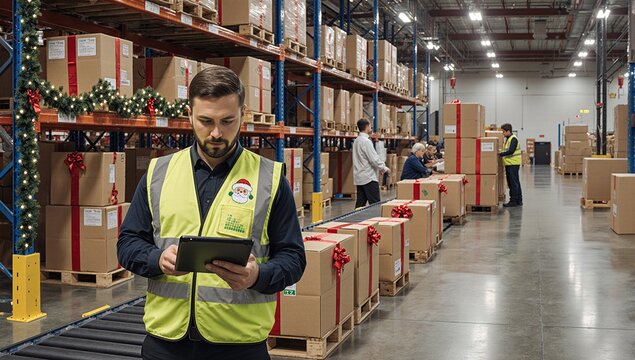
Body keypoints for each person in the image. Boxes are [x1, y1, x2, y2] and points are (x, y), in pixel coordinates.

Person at [117, 65, 307, 360]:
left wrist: (258, 275)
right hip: (166, 343)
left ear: (243, 115)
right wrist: (157, 258)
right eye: (206, 121)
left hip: (239, 345)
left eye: (227, 121)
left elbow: (294, 258)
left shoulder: (269, 179)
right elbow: (128, 244)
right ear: (189, 115)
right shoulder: (158, 174)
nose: (216, 133)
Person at [352, 118, 390, 208]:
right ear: (367, 127)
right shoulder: (366, 142)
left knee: (360, 204)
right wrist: (384, 168)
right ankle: (376, 221)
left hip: (359, 177)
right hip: (368, 178)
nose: (371, 127)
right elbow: (373, 159)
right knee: (375, 204)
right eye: (370, 125)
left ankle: (356, 220)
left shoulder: (356, 141)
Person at [499, 123, 523, 207]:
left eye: (503, 132)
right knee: (516, 183)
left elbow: (511, 151)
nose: (503, 133)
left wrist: (501, 154)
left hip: (512, 164)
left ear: (508, 131)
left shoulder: (513, 139)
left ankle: (513, 201)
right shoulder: (509, 139)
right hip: (510, 164)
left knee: (513, 183)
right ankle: (519, 200)